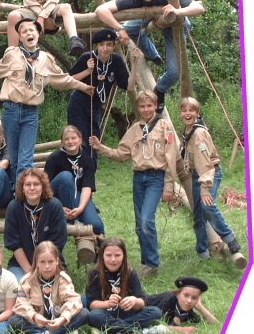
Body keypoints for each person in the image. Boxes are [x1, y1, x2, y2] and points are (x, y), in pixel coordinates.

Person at [0, 17, 94, 185]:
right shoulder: (12, 54)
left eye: (32, 30)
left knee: (25, 160)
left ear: (38, 33)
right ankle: (16, 192)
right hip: (11, 110)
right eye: (24, 31)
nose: (28, 33)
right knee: (14, 158)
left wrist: (83, 87)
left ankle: (22, 197)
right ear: (20, 37)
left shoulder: (46, 59)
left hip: (31, 113)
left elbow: (64, 79)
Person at [89, 90, 176, 279]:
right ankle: (147, 263)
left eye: (149, 106)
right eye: (142, 106)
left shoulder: (165, 126)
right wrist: (100, 148)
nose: (146, 109)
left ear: (155, 106)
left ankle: (152, 262)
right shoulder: (135, 129)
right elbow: (122, 155)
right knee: (139, 225)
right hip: (139, 178)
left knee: (146, 220)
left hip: (156, 177)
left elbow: (171, 157)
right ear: (138, 107)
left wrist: (169, 186)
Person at [94, 0, 205, 112]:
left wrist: (178, 12)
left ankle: (160, 89)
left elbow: (199, 8)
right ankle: (152, 54)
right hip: (149, 15)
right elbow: (100, 10)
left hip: (175, 26)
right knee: (128, 29)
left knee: (174, 74)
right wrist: (119, 28)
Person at [179, 97, 241, 259]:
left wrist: (205, 189)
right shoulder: (188, 130)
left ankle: (229, 238)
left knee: (207, 206)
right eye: (184, 111)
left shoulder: (198, 133)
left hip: (209, 173)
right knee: (198, 214)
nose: (187, 114)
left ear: (197, 113)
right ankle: (203, 252)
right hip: (196, 174)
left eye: (191, 110)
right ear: (180, 113)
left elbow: (205, 164)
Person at [67, 28, 139, 162]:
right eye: (101, 45)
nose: (105, 48)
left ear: (114, 46)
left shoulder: (116, 61)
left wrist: (134, 63)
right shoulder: (87, 57)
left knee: (94, 141)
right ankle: (77, 169)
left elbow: (129, 86)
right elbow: (69, 80)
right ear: (97, 46)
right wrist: (87, 71)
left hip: (96, 105)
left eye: (109, 45)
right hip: (79, 103)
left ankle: (91, 171)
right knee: (79, 139)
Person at [9, 241, 89, 334]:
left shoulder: (63, 279)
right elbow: (21, 303)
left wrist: (63, 318)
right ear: (36, 262)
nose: (47, 266)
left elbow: (73, 300)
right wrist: (34, 316)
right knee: (13, 320)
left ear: (57, 261)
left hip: (59, 320)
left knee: (84, 313)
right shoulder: (27, 280)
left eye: (50, 262)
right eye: (42, 262)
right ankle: (60, 333)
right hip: (36, 322)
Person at [86, 237, 162, 334]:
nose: (113, 260)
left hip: (127, 313)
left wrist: (134, 301)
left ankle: (112, 329)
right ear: (102, 255)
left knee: (156, 312)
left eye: (117, 255)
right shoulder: (95, 273)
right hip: (106, 313)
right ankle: (138, 332)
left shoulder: (130, 272)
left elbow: (142, 301)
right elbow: (91, 304)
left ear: (124, 256)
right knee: (93, 315)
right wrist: (107, 303)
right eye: (108, 255)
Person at [4, 168, 68, 282]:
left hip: (50, 263)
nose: (32, 188)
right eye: (28, 184)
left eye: (36, 184)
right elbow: (14, 244)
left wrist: (43, 272)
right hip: (21, 265)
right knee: (20, 288)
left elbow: (57, 243)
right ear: (22, 188)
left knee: (54, 290)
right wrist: (30, 272)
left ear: (43, 187)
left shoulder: (54, 206)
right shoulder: (14, 207)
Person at [44, 125, 105, 240]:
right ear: (62, 142)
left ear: (80, 139)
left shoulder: (87, 160)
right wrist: (58, 207)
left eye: (73, 138)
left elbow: (87, 188)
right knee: (66, 176)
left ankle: (102, 249)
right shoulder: (54, 158)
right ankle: (72, 219)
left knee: (96, 225)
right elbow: (45, 187)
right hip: (56, 198)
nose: (70, 141)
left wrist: (80, 209)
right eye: (66, 139)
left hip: (79, 196)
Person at [141, 276, 217, 334]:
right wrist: (180, 329)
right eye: (186, 295)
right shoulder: (168, 299)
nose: (189, 301)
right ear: (178, 294)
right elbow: (151, 328)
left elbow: (215, 323)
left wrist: (200, 307)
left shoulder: (186, 311)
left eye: (194, 298)